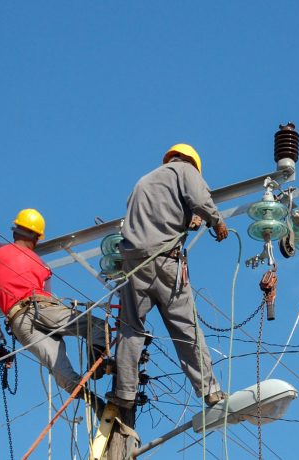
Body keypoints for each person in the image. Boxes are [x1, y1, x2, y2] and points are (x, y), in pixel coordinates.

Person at [108, 144, 229, 409]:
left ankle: (125, 393)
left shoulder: (144, 181)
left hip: (133, 263)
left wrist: (186, 221)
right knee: (185, 327)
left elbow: (153, 218)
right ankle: (209, 389)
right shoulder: (185, 170)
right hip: (165, 260)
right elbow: (199, 198)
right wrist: (216, 220)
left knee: (130, 328)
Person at [0, 208, 107, 392]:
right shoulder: (44, 266)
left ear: (14, 231)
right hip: (41, 308)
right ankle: (97, 363)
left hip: (19, 323)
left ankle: (95, 404)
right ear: (36, 237)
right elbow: (47, 298)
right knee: (96, 326)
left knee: (58, 367)